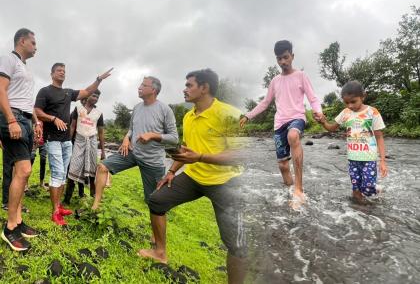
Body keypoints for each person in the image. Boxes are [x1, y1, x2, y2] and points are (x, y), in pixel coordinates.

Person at [139, 69, 247, 284]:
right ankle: (160, 252)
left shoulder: (229, 114)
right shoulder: (188, 116)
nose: (184, 89)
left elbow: (239, 155)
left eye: (189, 85)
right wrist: (171, 171)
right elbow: (188, 150)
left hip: (226, 182)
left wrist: (200, 157)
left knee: (236, 244)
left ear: (204, 88)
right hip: (194, 177)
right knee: (157, 200)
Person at [239, 40, 323, 208]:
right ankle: (290, 192)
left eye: (285, 57)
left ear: (292, 56)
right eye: (279, 59)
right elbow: (265, 103)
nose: (283, 62)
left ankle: (299, 189)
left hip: (297, 118)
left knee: (293, 135)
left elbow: (312, 97)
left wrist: (318, 111)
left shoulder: (301, 76)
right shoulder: (275, 81)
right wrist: (248, 116)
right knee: (283, 165)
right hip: (279, 124)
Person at [34, 63, 112, 225]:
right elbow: (37, 112)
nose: (62, 73)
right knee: (57, 174)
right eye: (58, 70)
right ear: (52, 73)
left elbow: (87, 91)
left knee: (63, 175)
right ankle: (55, 211)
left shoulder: (68, 93)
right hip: (53, 138)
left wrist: (98, 80)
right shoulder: (45, 91)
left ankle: (59, 206)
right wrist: (53, 119)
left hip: (66, 142)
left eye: (64, 71)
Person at [91, 76, 178, 214]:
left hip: (153, 161)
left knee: (153, 201)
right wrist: (126, 138)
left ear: (153, 90)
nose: (139, 87)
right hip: (132, 153)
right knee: (102, 166)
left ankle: (156, 235)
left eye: (143, 85)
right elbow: (131, 129)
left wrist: (153, 135)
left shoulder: (165, 110)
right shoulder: (137, 108)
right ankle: (95, 207)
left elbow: (174, 138)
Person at [0, 28, 42, 251]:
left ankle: (17, 221)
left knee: (20, 172)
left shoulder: (24, 67)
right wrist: (10, 120)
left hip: (24, 118)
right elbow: (1, 90)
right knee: (24, 170)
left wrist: (35, 122)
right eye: (33, 43)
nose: (36, 47)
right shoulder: (8, 59)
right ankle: (9, 229)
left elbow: (26, 99)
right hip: (13, 117)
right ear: (22, 40)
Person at [317, 81, 388, 203]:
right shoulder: (345, 113)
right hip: (353, 159)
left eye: (353, 101)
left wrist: (382, 161)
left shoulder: (372, 112)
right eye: (346, 102)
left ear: (363, 96)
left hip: (369, 159)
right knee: (356, 189)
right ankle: (359, 210)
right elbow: (332, 128)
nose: (349, 105)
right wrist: (323, 122)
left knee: (367, 189)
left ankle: (377, 190)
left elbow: (379, 137)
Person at [63, 90, 105, 204]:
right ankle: (67, 199)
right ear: (88, 96)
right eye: (93, 95)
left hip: (91, 143)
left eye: (97, 97)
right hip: (78, 141)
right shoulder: (78, 109)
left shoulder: (98, 113)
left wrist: (103, 151)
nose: (95, 98)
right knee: (73, 168)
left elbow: (101, 132)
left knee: (92, 172)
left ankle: (93, 199)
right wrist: (68, 142)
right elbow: (72, 126)